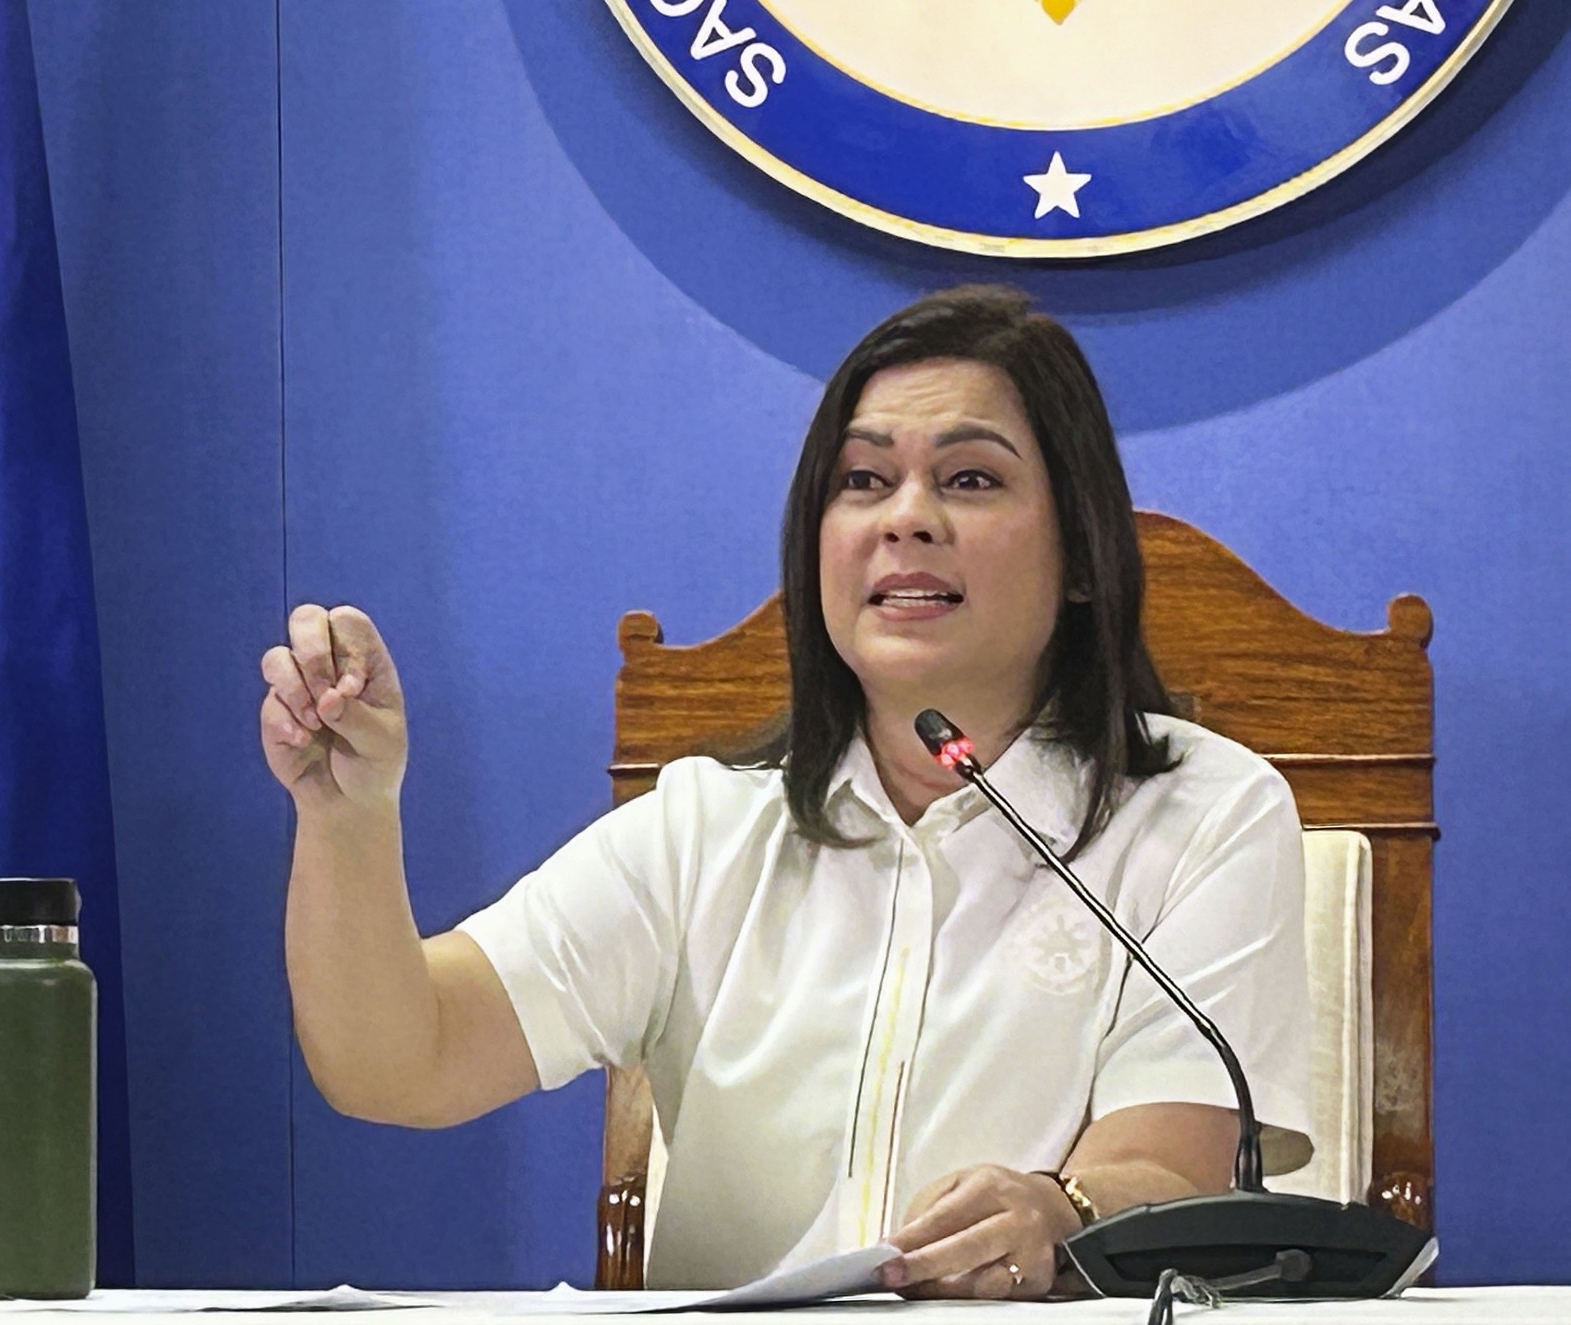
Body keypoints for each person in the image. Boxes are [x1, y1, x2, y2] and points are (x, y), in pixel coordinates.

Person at [258, 285, 1311, 1298]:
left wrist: (1056, 1208)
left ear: (1083, 549)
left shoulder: (1200, 812)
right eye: (862, 480)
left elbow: (1172, 1171)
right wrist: (349, 814)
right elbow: (399, 1059)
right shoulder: (705, 828)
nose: (907, 518)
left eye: (971, 479)